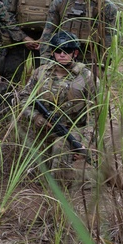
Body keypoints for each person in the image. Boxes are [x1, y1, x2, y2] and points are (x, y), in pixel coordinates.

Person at [20, 31, 105, 187]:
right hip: (43, 127)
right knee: (32, 173)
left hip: (73, 129)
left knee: (59, 155)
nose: (62, 55)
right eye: (58, 51)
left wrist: (85, 141)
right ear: (52, 52)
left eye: (67, 51)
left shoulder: (87, 77)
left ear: (75, 53)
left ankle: (66, 186)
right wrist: (37, 118)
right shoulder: (41, 72)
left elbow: (94, 113)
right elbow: (23, 99)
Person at [39, 0, 118, 71]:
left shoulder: (105, 6)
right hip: (62, 58)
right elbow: (48, 34)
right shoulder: (60, 2)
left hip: (90, 61)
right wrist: (46, 62)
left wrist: (103, 67)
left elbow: (108, 41)